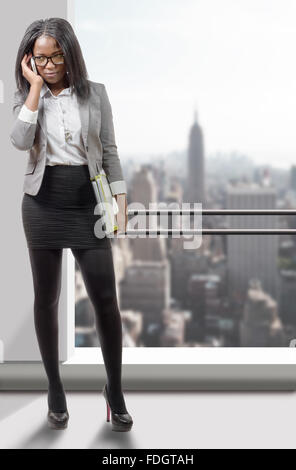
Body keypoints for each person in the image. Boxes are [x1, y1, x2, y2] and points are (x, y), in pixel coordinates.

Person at [10, 17, 133, 432]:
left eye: (55, 56)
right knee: (46, 299)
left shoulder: (96, 94)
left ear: (70, 53)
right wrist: (34, 90)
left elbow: (110, 151)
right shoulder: (28, 96)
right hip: (42, 204)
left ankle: (114, 391)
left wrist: (120, 202)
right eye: (39, 58)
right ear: (30, 60)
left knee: (105, 301)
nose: (48, 65)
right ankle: (55, 390)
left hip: (87, 203)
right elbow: (19, 141)